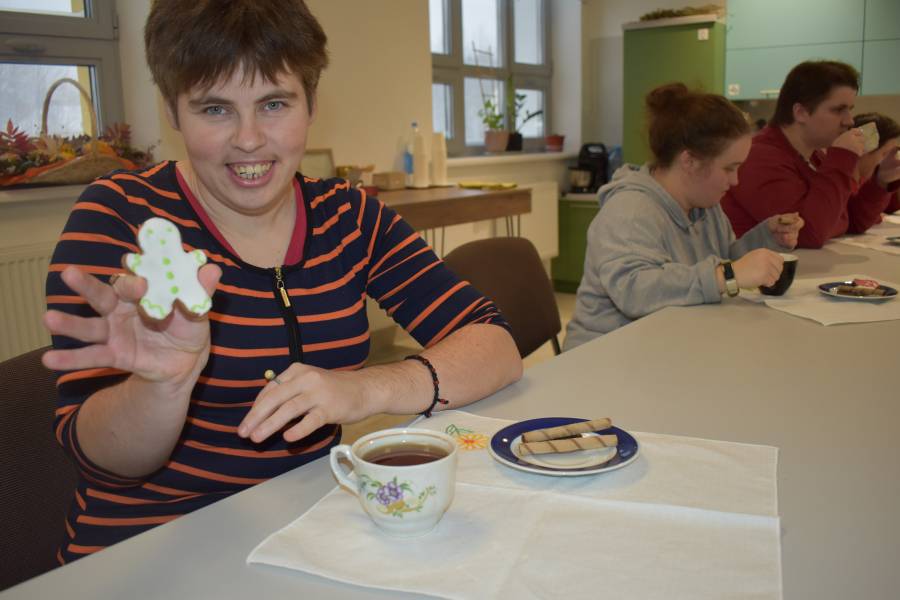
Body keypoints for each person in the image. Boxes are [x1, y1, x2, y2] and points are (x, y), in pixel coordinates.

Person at [41, 0, 522, 564]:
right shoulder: (121, 220)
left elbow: (495, 345)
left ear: (312, 102)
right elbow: (103, 460)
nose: (249, 140)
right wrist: (161, 388)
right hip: (150, 552)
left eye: (274, 104)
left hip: (307, 531)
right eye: (215, 109)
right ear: (173, 110)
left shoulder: (348, 217)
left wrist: (364, 388)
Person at [563, 84, 803, 350]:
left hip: (665, 343)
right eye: (729, 168)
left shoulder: (706, 205)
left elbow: (723, 264)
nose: (735, 180)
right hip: (604, 357)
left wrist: (766, 238)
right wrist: (730, 274)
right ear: (689, 161)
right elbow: (635, 291)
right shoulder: (630, 211)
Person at [721, 61, 900, 248]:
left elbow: (852, 220)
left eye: (850, 110)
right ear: (801, 112)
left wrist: (881, 182)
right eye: (838, 110)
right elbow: (808, 234)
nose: (849, 121)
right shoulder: (759, 158)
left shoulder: (813, 156)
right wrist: (841, 157)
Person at [853, 112, 900, 215]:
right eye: (885, 154)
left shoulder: (867, 179)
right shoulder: (842, 182)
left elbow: (890, 206)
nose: (889, 161)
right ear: (864, 150)